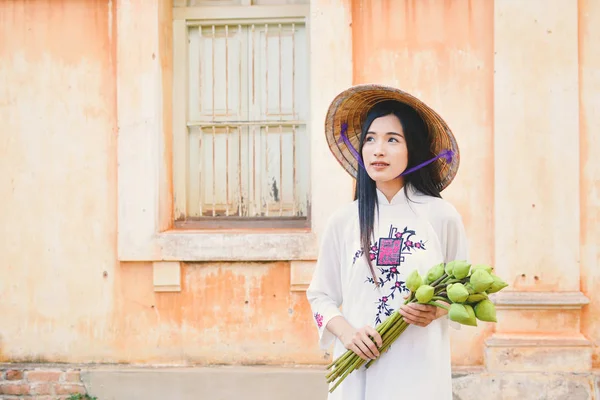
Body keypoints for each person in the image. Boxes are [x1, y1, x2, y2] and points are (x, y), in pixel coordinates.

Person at [306, 84, 469, 399]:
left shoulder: (442, 216)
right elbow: (320, 297)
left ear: (414, 150)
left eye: (392, 139)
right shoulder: (344, 221)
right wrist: (348, 333)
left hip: (419, 370)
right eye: (370, 139)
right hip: (356, 373)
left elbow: (461, 292)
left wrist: (436, 311)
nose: (378, 150)